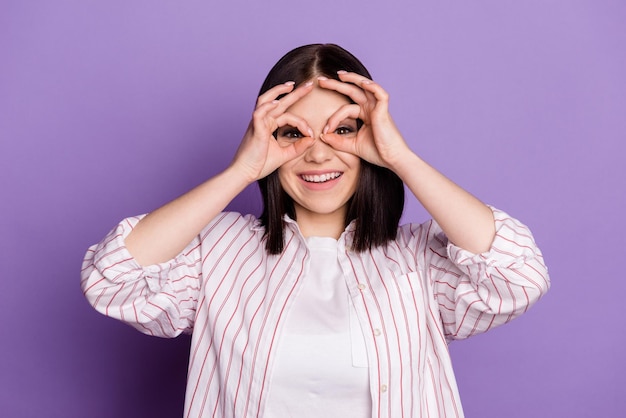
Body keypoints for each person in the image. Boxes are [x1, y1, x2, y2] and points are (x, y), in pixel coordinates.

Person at [81, 43, 550, 418]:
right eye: (293, 133)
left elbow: (518, 277)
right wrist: (239, 171)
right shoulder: (217, 249)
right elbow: (112, 280)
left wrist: (401, 158)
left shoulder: (420, 260)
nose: (318, 154)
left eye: (342, 130)